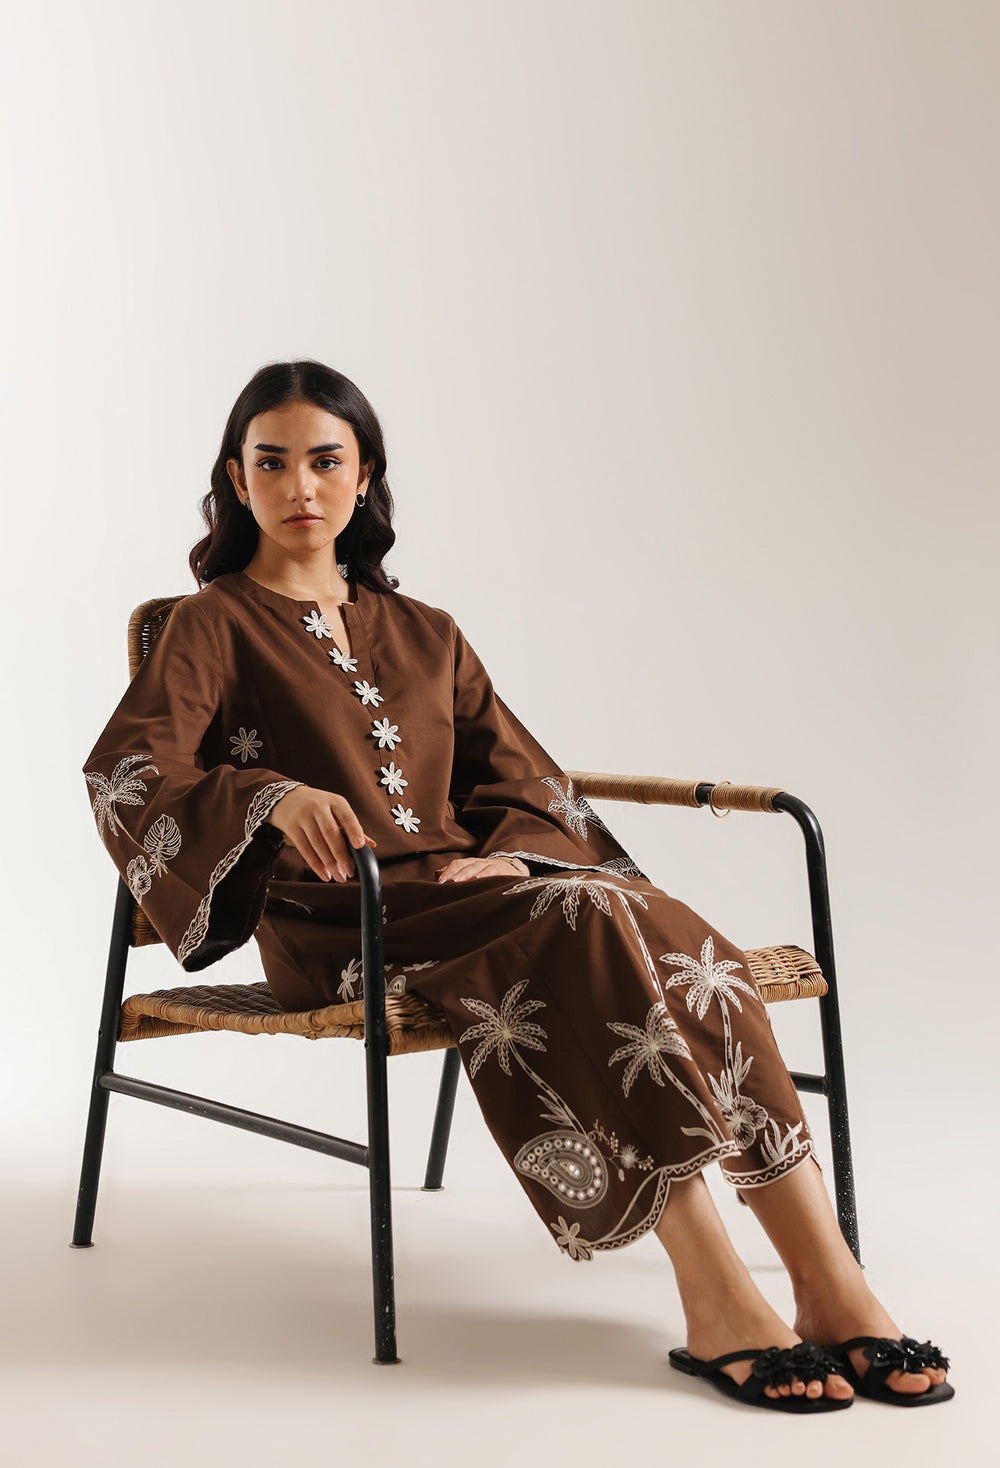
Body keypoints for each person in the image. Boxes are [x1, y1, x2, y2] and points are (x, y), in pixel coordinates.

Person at [82, 360, 952, 1413]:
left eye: (325, 461)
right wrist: (268, 796)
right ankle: (720, 1296)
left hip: (482, 902)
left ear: (366, 476)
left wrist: (519, 853)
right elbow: (131, 771)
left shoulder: (427, 631)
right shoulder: (210, 622)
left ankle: (829, 1283)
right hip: (343, 919)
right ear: (236, 478)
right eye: (271, 463)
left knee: (620, 911)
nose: (299, 486)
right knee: (586, 916)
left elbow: (522, 776)